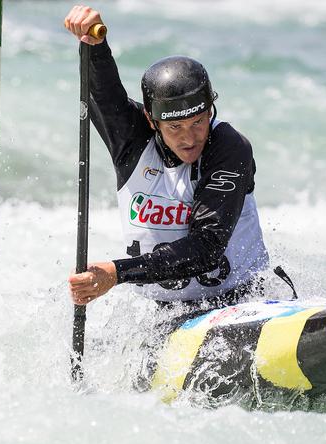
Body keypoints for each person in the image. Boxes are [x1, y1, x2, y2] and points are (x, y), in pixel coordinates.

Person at [64, 5, 272, 321]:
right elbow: (104, 94)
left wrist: (116, 273)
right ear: (151, 120)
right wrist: (94, 44)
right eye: (175, 127)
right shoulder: (132, 143)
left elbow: (207, 248)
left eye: (199, 122)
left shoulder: (230, 147)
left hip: (241, 303)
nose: (190, 138)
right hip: (161, 314)